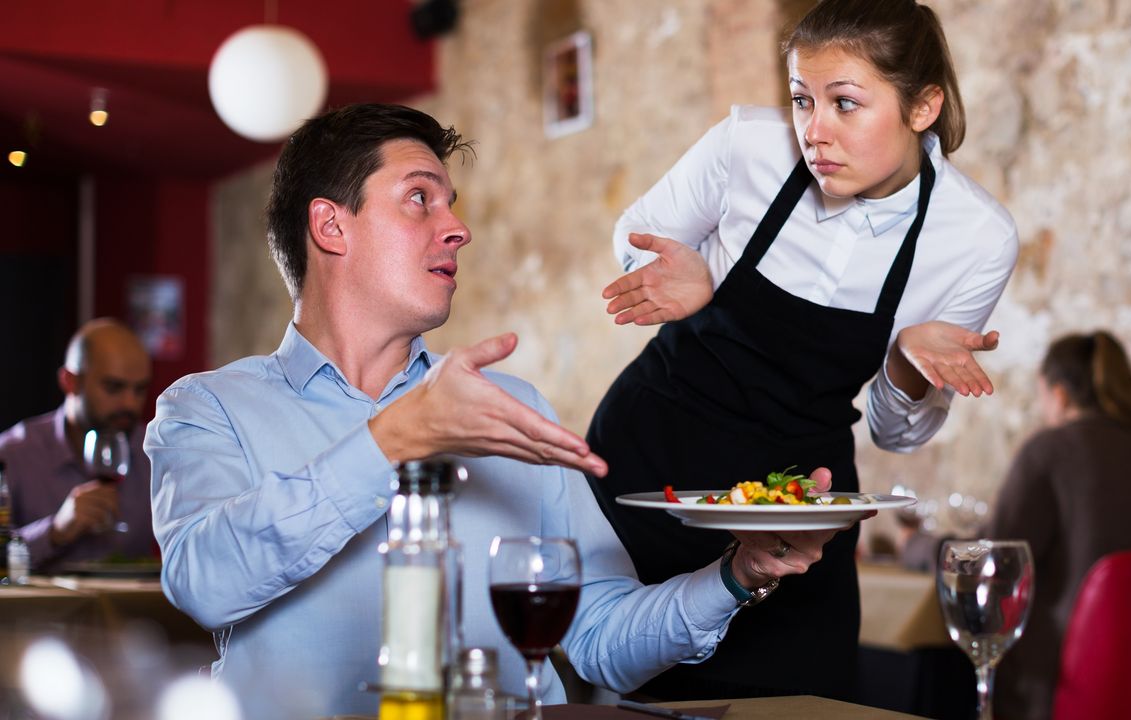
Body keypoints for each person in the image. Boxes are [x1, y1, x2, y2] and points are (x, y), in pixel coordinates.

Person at [145, 103, 858, 720]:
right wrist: (395, 437)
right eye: (421, 199)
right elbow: (206, 585)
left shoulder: (514, 408)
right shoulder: (207, 408)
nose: (458, 228)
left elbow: (604, 641)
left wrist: (737, 573)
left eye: (452, 204)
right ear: (331, 227)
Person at [584, 0, 1019, 701]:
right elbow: (639, 234)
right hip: (650, 465)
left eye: (845, 103)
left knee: (804, 698)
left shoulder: (975, 239)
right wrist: (689, 273)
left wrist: (907, 362)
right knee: (622, 688)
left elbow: (895, 431)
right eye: (801, 100)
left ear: (923, 106)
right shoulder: (745, 147)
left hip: (797, 507)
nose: (814, 131)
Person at [899, 331, 1131, 720]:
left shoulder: (1051, 449)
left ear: (1059, 395)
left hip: (1062, 671)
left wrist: (914, 545)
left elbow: (992, 560)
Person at [0, 319, 154, 572]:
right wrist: (55, 531)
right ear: (70, 382)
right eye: (114, 387)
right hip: (40, 612)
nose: (130, 404)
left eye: (139, 390)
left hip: (134, 611)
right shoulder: (14, 453)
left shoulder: (153, 450)